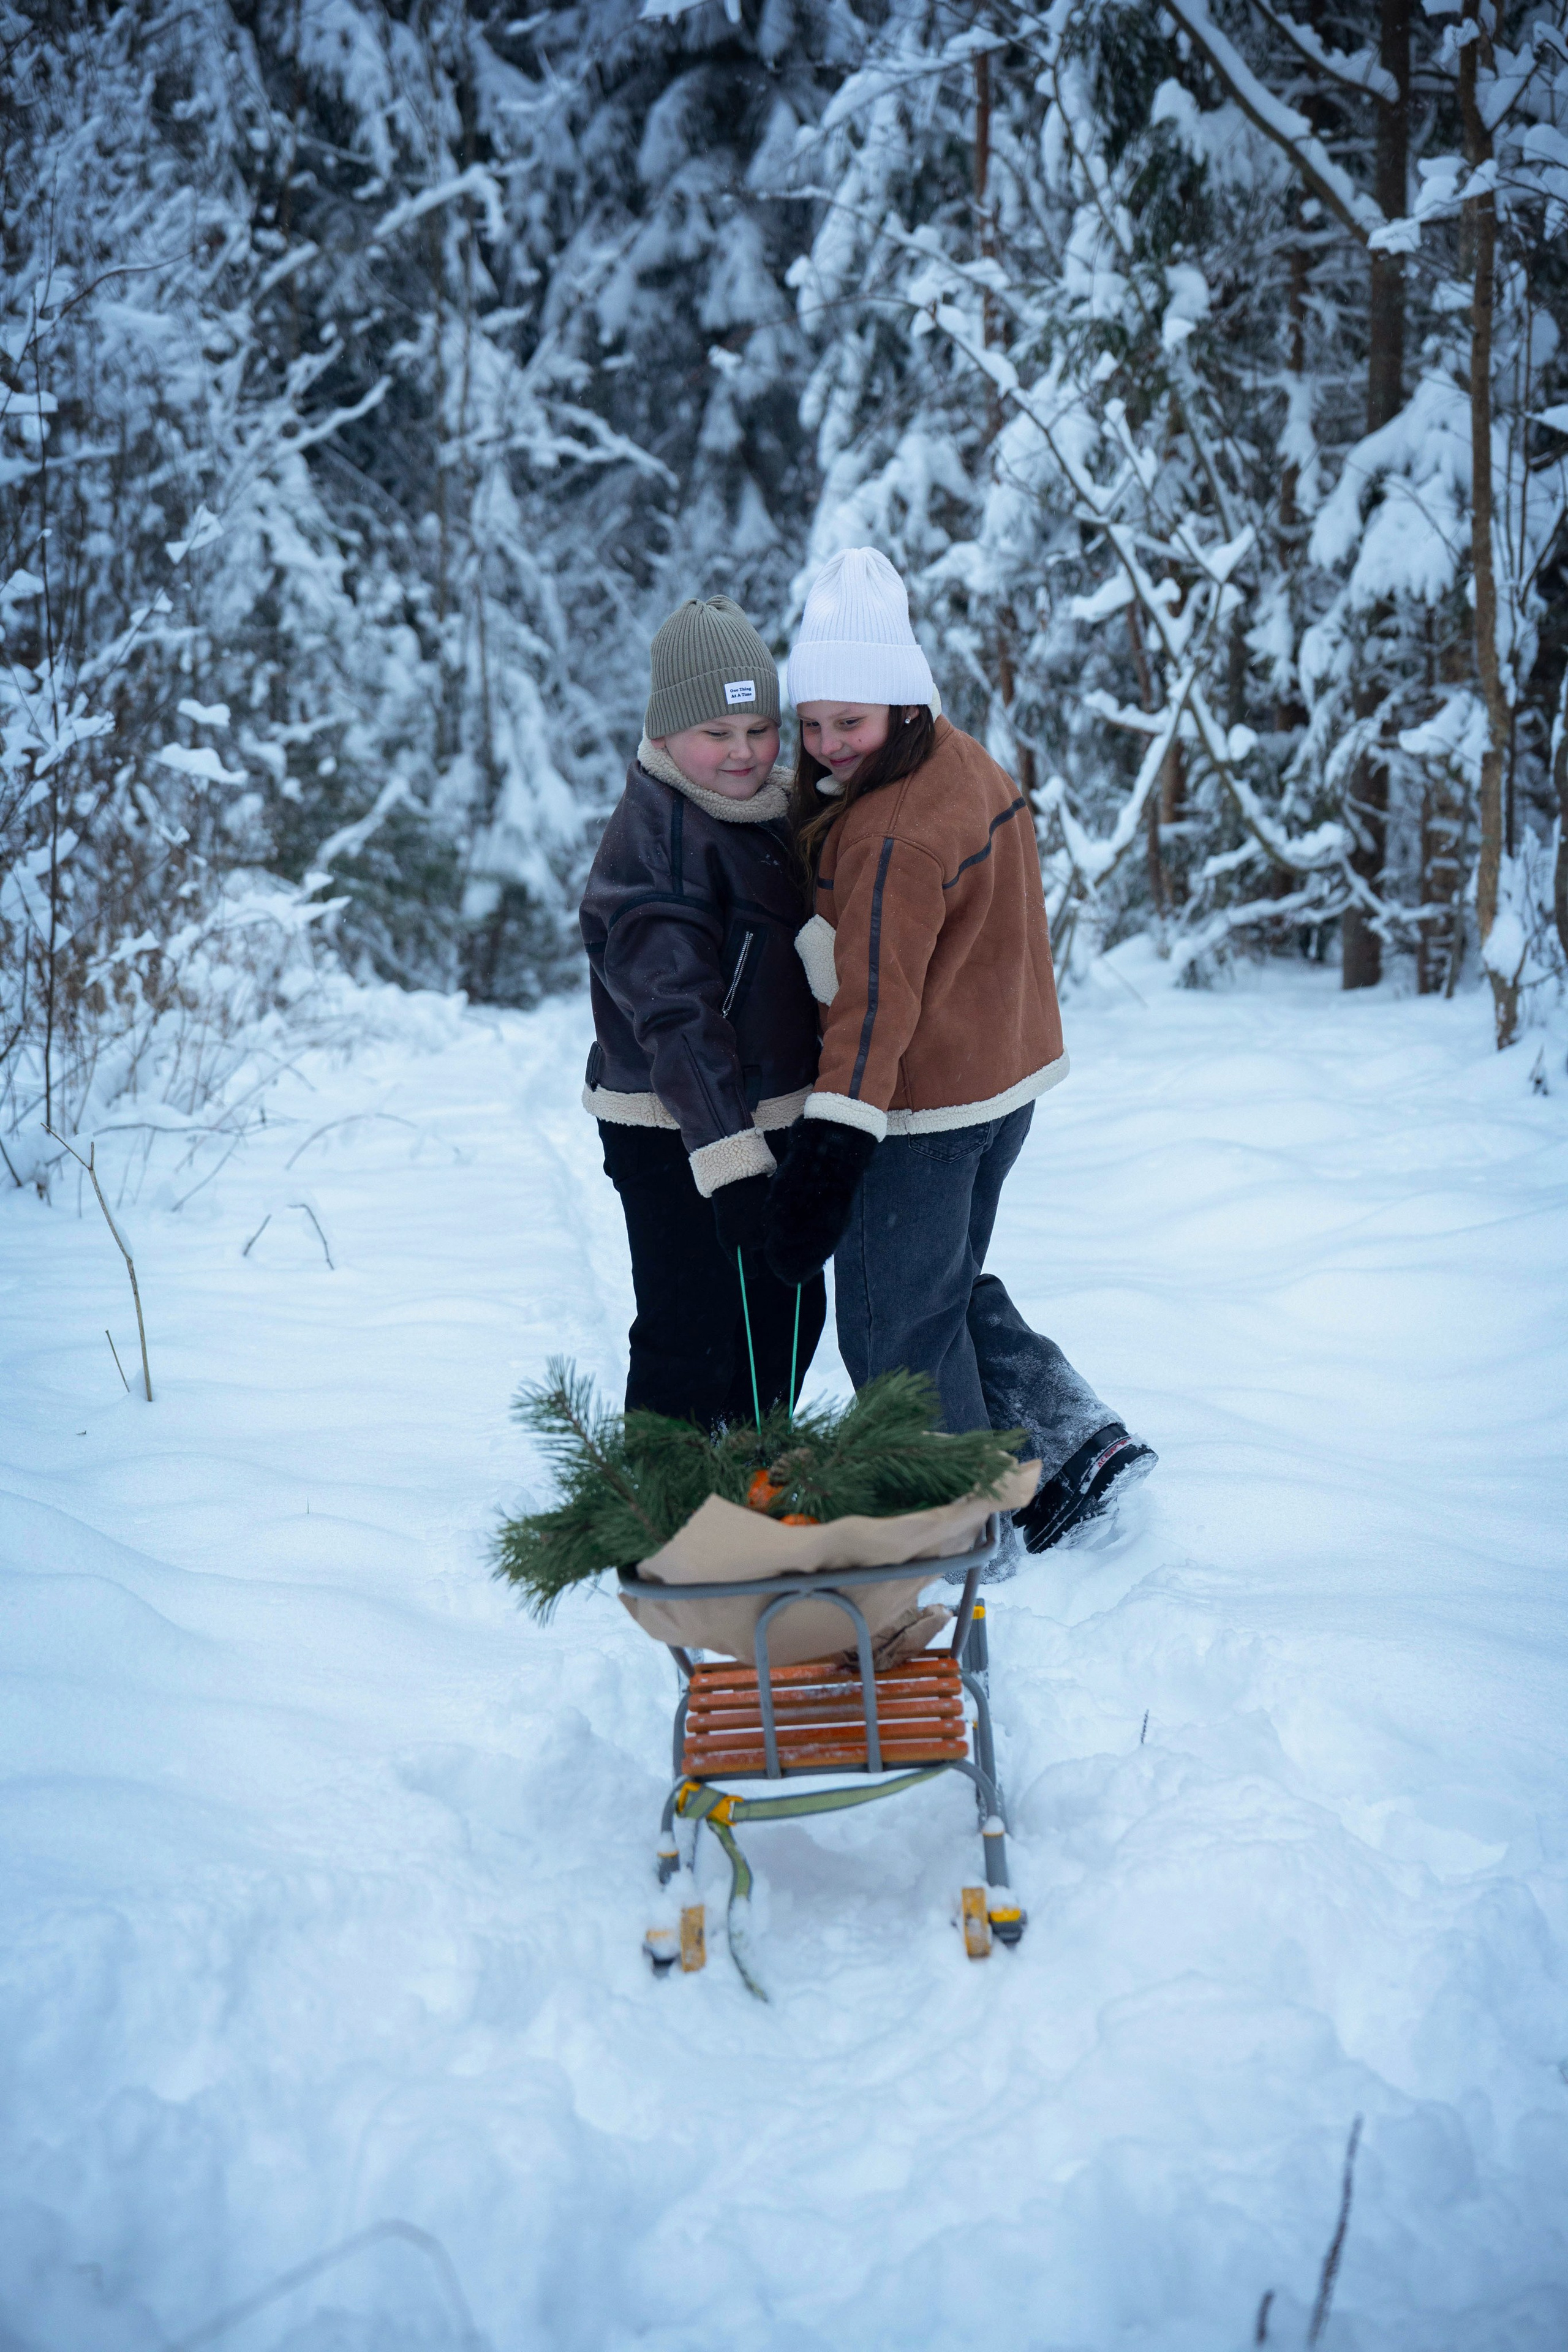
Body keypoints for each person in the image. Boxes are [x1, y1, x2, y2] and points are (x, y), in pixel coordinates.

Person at [763, 547, 1153, 1549]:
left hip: (916, 1111)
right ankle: (1067, 1454)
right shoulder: (956, 760)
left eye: (845, 722)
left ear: (897, 703)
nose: (825, 744)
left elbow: (875, 1005)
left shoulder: (894, 834)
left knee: (893, 1331)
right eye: (809, 724)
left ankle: (954, 1534)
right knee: (933, 1292)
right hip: (998, 1090)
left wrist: (830, 1148)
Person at [579, 595, 826, 1430]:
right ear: (666, 732)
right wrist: (730, 1161)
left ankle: (752, 1482)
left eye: (759, 729)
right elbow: (677, 1017)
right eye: (716, 735)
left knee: (788, 1320)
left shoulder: (772, 814)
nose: (743, 753)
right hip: (677, 1128)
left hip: (768, 1114)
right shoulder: (657, 845)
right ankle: (666, 1519)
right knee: (693, 1330)